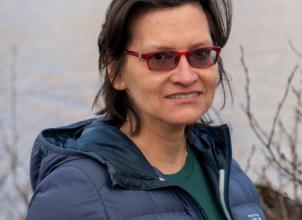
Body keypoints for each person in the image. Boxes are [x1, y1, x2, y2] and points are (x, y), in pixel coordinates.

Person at [26, 0, 265, 219]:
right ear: (116, 72)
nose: (186, 76)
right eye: (160, 57)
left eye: (200, 54)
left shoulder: (229, 174)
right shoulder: (75, 194)